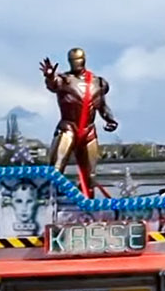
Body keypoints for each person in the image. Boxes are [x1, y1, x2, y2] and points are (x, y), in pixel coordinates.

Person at [40, 48, 118, 198]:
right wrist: (49, 76)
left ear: (84, 60)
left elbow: (101, 105)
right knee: (56, 168)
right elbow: (53, 85)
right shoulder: (64, 80)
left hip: (88, 130)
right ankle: (51, 198)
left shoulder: (98, 82)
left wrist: (109, 119)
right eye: (73, 61)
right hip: (68, 127)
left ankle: (86, 201)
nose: (76, 63)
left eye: (78, 60)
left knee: (90, 175)